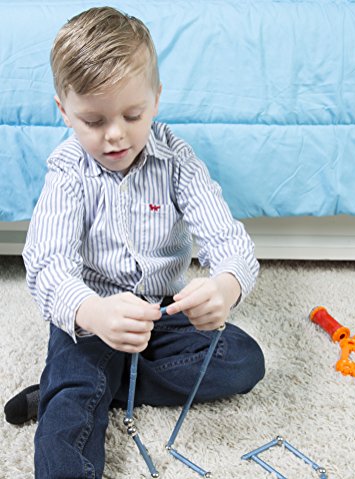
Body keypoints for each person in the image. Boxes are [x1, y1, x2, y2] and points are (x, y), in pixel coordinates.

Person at [4, 6, 265, 478]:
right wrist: (95, 314)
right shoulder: (68, 172)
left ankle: (84, 385)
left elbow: (231, 243)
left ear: (156, 98)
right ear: (64, 111)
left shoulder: (177, 159)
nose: (116, 135)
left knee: (242, 360)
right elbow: (46, 267)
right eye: (94, 121)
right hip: (91, 316)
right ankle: (74, 387)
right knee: (67, 419)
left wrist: (225, 286)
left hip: (162, 313)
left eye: (132, 114)